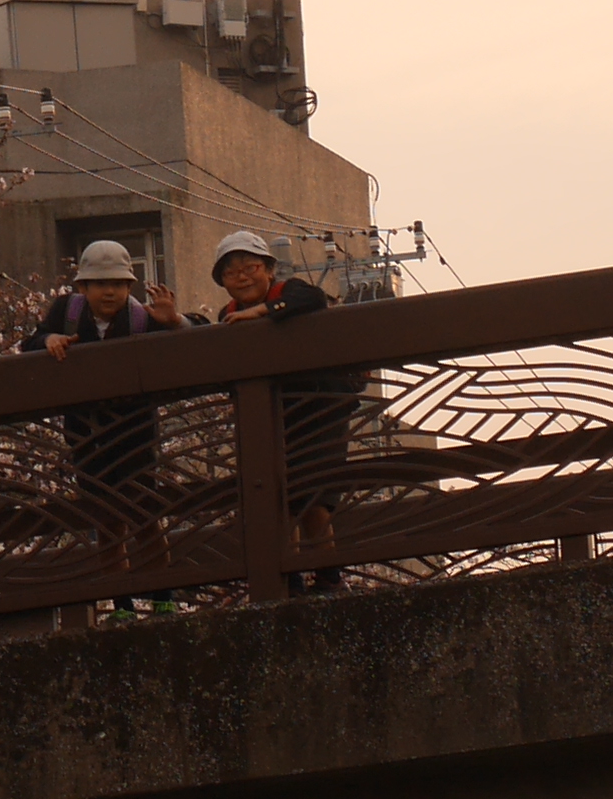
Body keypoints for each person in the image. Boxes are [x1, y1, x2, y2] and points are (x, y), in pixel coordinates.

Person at [205, 228, 364, 591]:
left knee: (314, 496)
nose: (242, 276)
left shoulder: (292, 292)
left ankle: (328, 577)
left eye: (251, 267)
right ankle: (289, 577)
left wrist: (264, 311)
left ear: (269, 269)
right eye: (231, 272)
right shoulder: (226, 314)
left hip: (321, 411)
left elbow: (314, 301)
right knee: (277, 500)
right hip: (273, 416)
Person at [19, 239, 180, 569]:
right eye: (101, 284)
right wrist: (49, 340)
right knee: (106, 523)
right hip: (85, 435)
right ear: (83, 287)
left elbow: (187, 346)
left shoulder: (141, 317)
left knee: (145, 518)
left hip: (136, 435)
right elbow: (31, 342)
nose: (110, 292)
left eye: (119, 284)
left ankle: (164, 597)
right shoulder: (68, 312)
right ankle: (121, 604)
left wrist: (172, 321)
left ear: (129, 287)